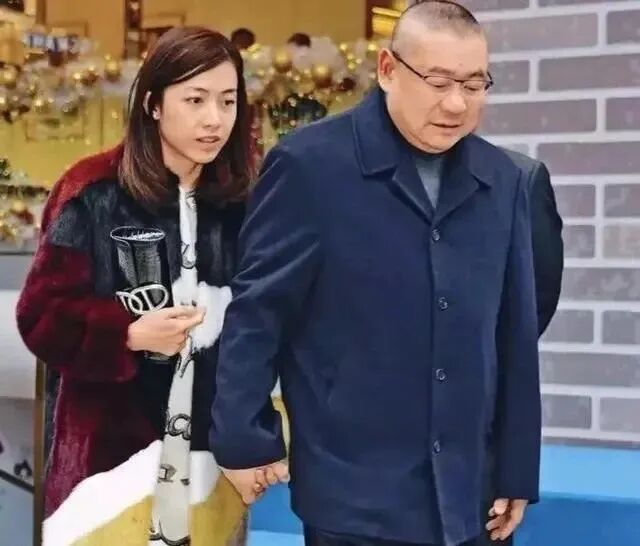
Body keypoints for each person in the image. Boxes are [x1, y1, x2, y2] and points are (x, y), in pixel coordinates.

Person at [211, 2, 541, 546]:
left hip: (472, 496)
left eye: (474, 84)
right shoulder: (309, 166)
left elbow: (514, 334)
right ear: (388, 70)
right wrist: (243, 438)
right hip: (353, 495)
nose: (456, 103)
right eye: (438, 82)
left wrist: (516, 468)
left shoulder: (503, 180)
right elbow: (258, 313)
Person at [16, 26, 258, 546]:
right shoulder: (92, 191)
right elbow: (40, 315)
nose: (214, 119)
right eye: (195, 99)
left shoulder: (240, 202)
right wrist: (125, 334)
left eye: (228, 101)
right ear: (153, 104)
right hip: (108, 464)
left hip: (211, 460)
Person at [478, 148, 564, 546]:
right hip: (356, 465)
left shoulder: (518, 178)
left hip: (475, 445)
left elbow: (530, 312)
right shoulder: (332, 171)